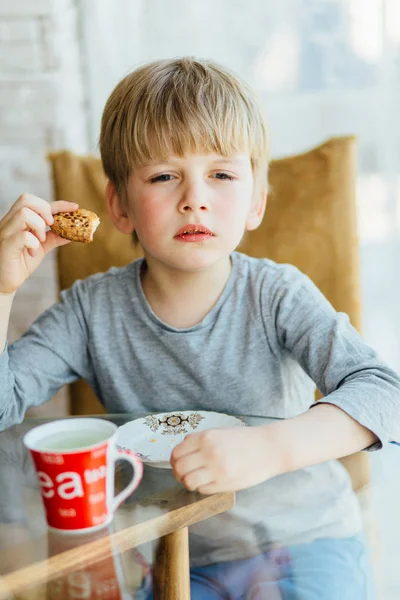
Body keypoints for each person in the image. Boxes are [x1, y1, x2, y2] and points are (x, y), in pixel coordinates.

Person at [0, 57, 397, 598]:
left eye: (222, 175)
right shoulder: (90, 312)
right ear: (119, 206)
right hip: (168, 555)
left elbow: (384, 394)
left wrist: (268, 449)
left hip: (305, 540)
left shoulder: (278, 295)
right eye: (164, 176)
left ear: (257, 199)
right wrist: (1, 290)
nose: (194, 198)